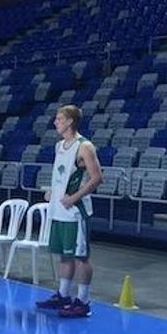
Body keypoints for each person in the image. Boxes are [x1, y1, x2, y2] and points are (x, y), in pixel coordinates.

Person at [36, 105, 103, 318]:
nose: (55, 122)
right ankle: (63, 294)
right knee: (65, 256)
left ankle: (83, 301)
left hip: (76, 211)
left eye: (59, 119)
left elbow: (97, 178)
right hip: (59, 210)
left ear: (70, 122)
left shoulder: (85, 146)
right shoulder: (59, 146)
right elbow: (63, 176)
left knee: (81, 257)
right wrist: (52, 192)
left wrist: (74, 197)